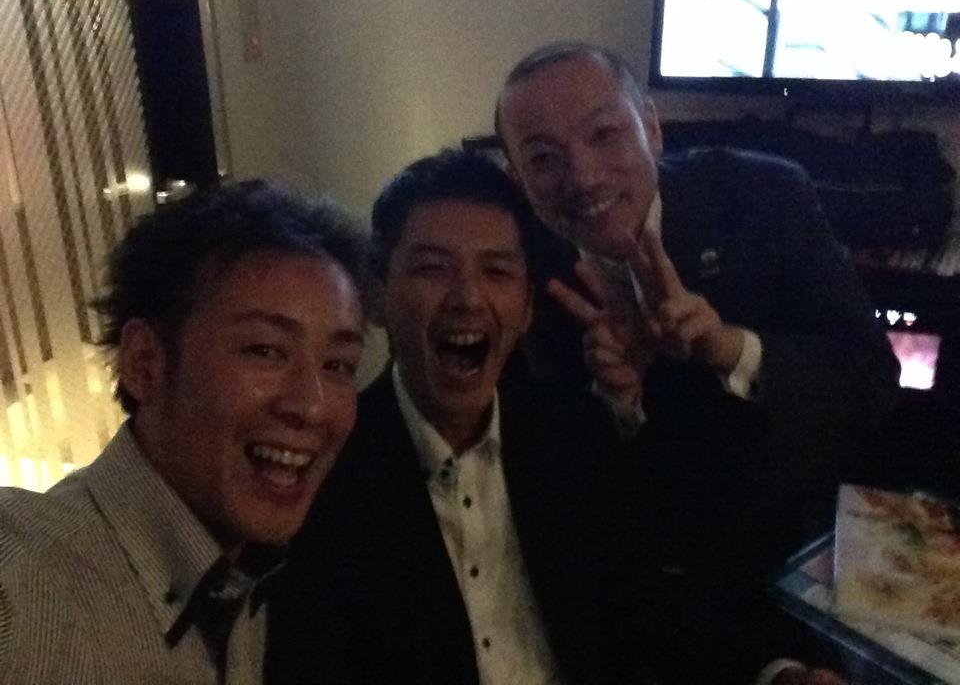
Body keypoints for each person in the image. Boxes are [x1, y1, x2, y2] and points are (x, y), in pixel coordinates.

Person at [495, 42, 899, 683]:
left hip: (797, 568)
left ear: (651, 128)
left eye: (604, 134)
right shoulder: (520, 271)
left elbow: (871, 380)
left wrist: (729, 347)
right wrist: (620, 401)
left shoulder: (765, 197)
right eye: (544, 159)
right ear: (518, 180)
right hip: (644, 600)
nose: (584, 177)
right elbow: (564, 495)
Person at [267, 149, 656, 685]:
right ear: (375, 297)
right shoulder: (326, 469)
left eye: (496, 271)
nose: (468, 297)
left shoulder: (577, 437)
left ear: (526, 307)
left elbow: (638, 627)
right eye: (433, 268)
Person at [0, 181, 366, 684]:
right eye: (264, 350)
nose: (312, 405)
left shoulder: (244, 585)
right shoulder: (22, 585)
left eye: (339, 365)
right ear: (145, 363)